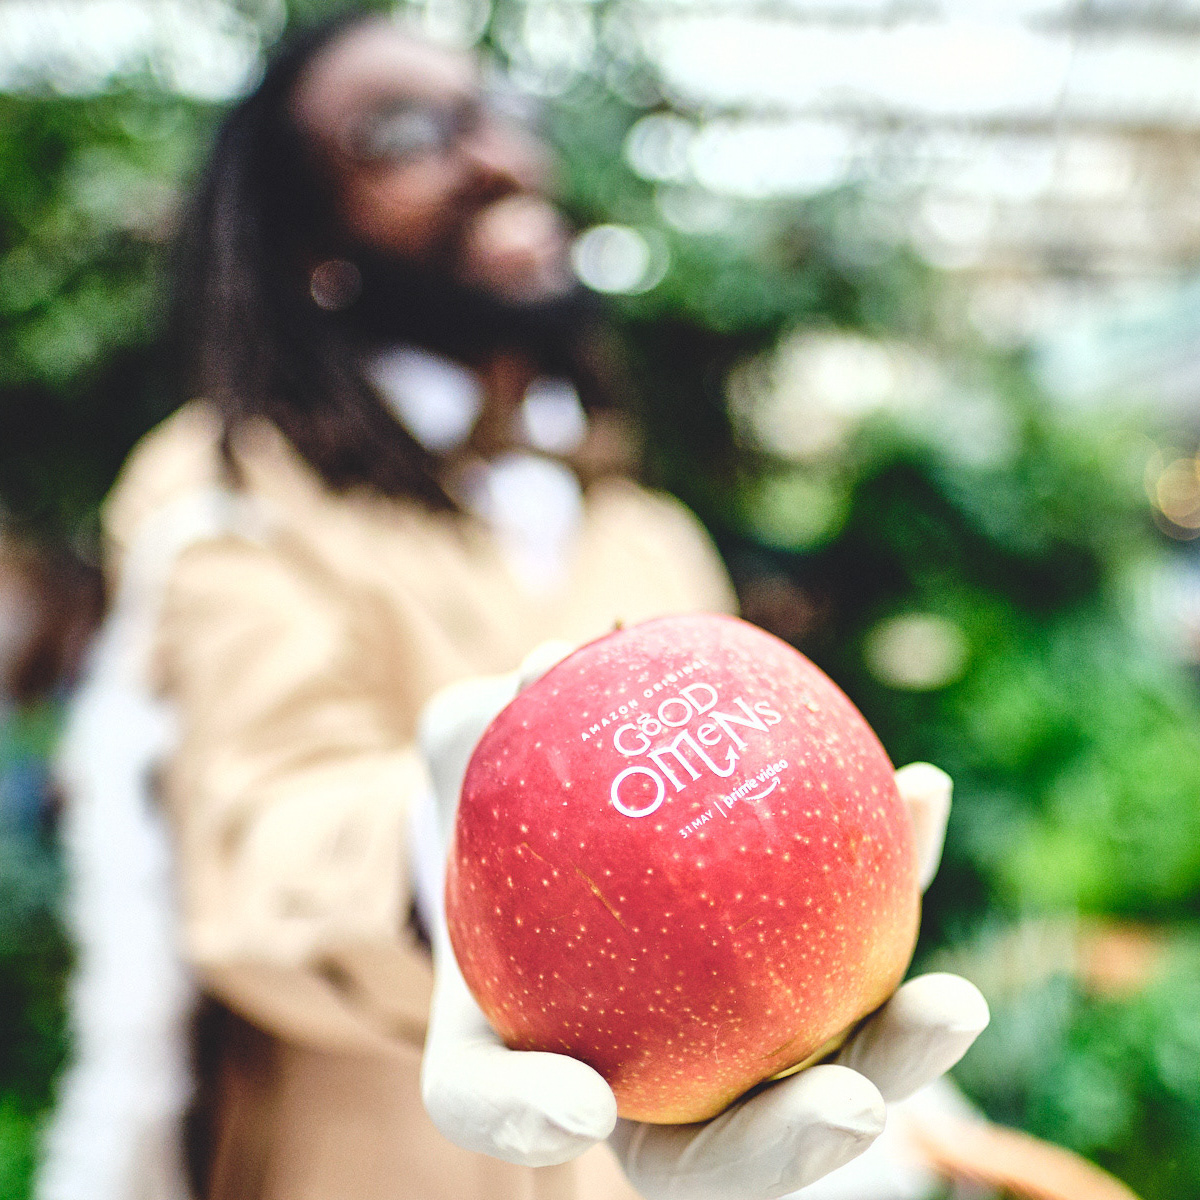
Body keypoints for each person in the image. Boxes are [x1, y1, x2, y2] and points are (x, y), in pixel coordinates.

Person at [38, 14, 989, 1200]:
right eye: (403, 133)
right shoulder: (229, 491)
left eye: (495, 114)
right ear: (301, 232)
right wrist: (455, 875)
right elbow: (256, 841)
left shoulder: (645, 533)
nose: (493, 157)